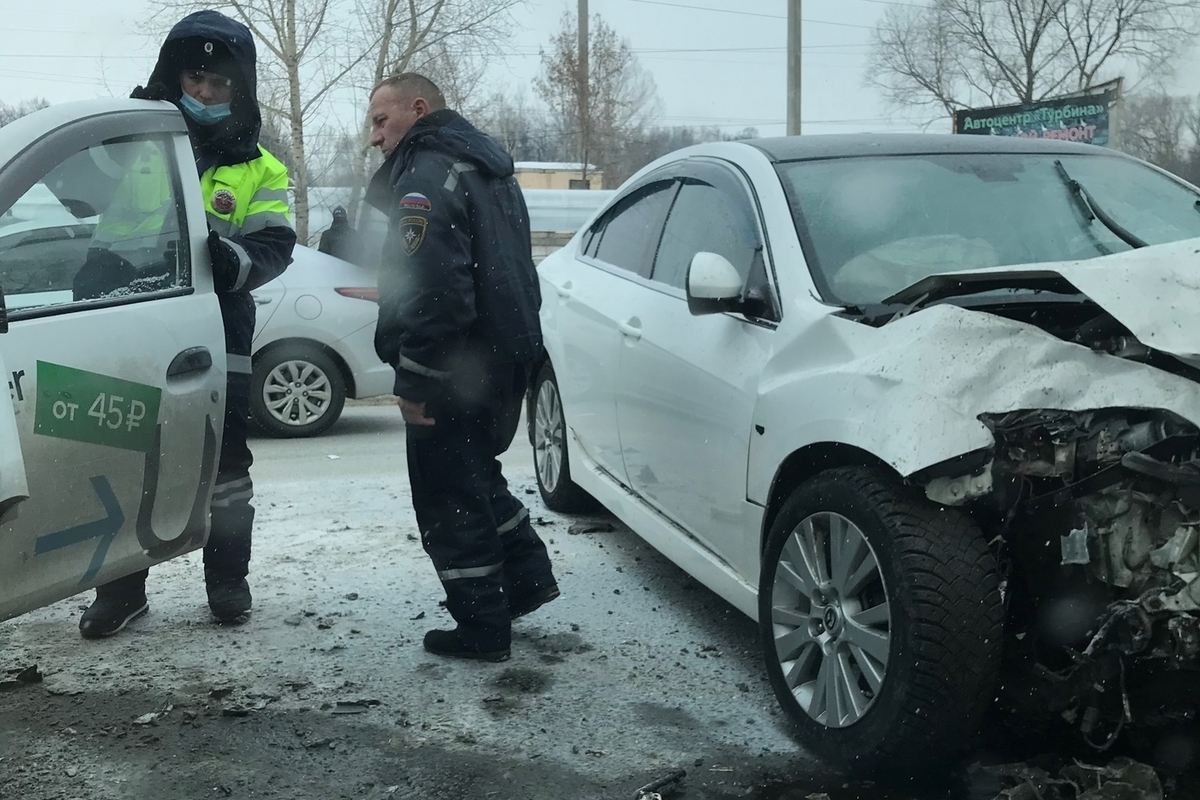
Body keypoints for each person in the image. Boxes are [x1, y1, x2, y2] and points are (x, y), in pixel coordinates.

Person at [78, 10, 296, 638]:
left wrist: (235, 262)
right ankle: (119, 590)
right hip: (125, 326)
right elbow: (71, 199)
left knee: (225, 463)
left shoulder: (261, 167)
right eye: (195, 77)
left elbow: (275, 246)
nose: (204, 93)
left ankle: (228, 581)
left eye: (219, 84)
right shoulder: (123, 141)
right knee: (122, 456)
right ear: (174, 75)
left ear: (240, 89)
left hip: (214, 332)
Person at [365, 73, 558, 662]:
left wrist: (418, 376)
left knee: (447, 488)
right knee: (473, 472)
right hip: (505, 351)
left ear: (418, 108)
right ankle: (524, 580)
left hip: (459, 364)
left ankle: (480, 626)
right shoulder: (484, 165)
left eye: (381, 120)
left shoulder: (427, 170)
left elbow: (437, 287)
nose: (374, 137)